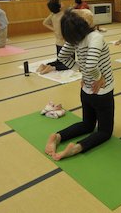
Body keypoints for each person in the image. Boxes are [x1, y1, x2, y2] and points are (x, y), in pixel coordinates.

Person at [45, 8, 114, 160]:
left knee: (87, 124)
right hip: (101, 92)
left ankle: (58, 136)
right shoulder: (95, 37)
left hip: (86, 91)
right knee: (104, 132)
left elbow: (62, 56)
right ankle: (77, 147)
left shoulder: (76, 38)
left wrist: (81, 71)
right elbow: (90, 66)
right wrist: (98, 76)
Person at [36, 0, 71, 74]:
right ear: (59, 6)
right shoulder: (64, 15)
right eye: (60, 2)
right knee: (69, 64)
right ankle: (52, 68)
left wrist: (54, 29)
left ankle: (45, 65)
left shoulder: (53, 14)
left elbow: (45, 22)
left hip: (58, 43)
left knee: (59, 61)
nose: (62, 2)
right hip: (65, 44)